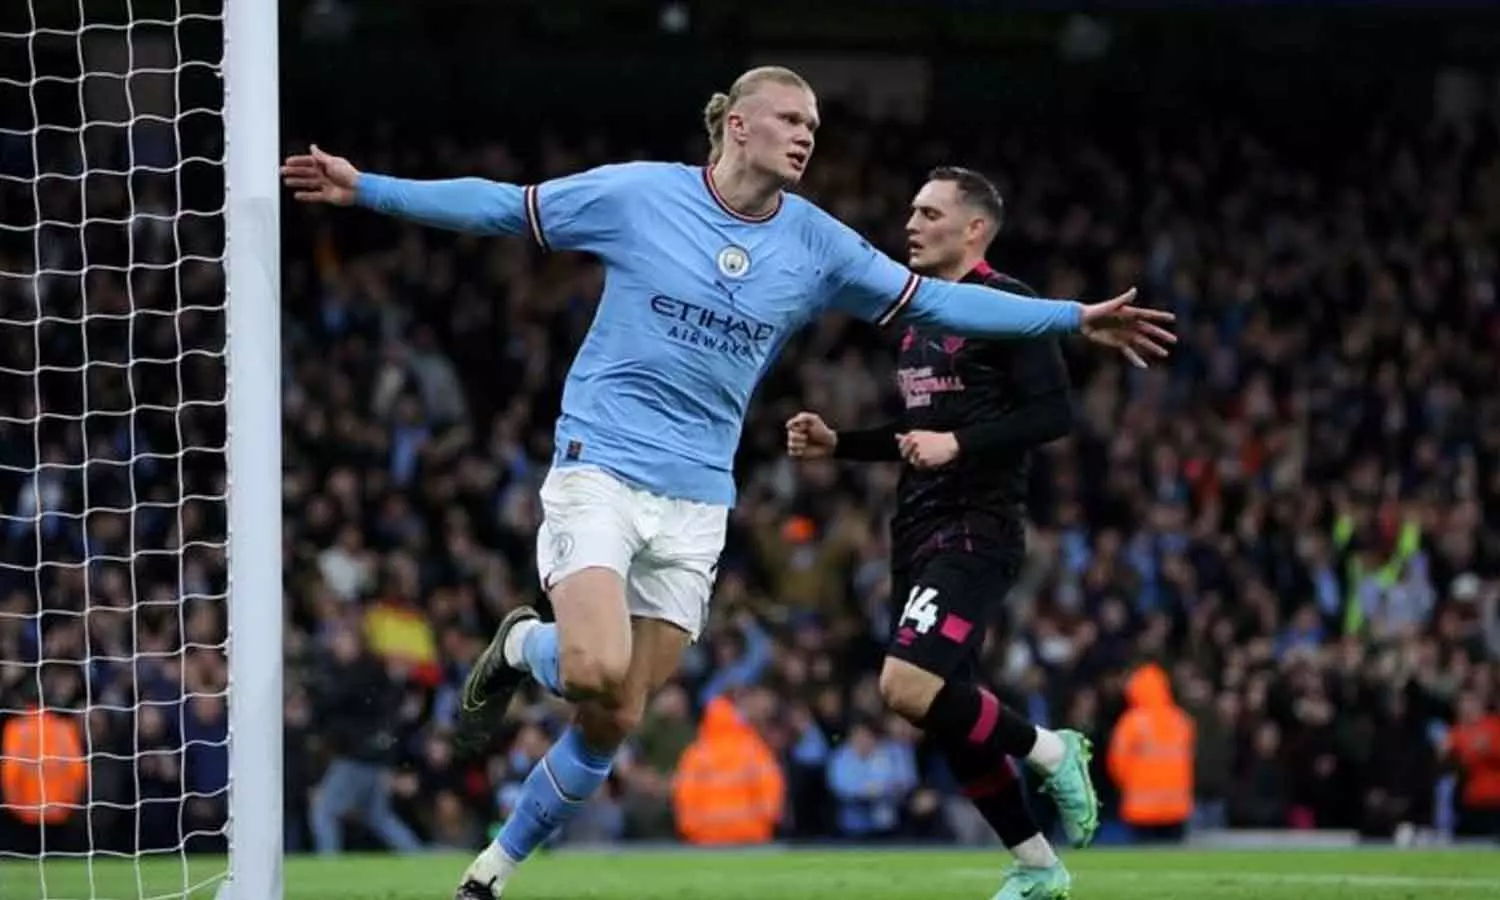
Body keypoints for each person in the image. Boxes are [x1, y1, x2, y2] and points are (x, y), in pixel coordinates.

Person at [281, 65, 1174, 899]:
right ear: (738, 126)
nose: (807, 135)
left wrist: (1070, 317)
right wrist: (370, 188)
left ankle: (488, 876)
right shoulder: (640, 196)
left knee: (617, 713)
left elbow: (937, 299)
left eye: (814, 125)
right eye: (791, 119)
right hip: (603, 464)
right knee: (593, 667)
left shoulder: (817, 242)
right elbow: (503, 208)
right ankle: (522, 647)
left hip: (699, 497)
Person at [785, 167, 1088, 899]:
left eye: (929, 213)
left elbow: (1054, 413)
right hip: (916, 525)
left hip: (976, 526)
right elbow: (920, 429)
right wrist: (840, 444)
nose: (911, 225)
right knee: (946, 710)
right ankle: (1038, 867)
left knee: (905, 686)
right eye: (912, 211)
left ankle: (1052, 750)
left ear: (974, 229)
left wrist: (960, 445)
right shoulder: (918, 315)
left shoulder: (1009, 303)